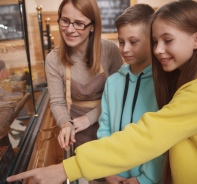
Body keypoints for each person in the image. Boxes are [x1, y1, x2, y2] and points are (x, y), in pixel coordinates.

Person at [6, 1, 197, 184]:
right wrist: (67, 125)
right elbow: (107, 124)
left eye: (167, 40)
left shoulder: (165, 81)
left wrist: (145, 178)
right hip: (106, 158)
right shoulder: (116, 81)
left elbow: (149, 137)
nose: (158, 50)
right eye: (156, 42)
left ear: (92, 25)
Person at [97, 4, 163, 184]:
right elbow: (104, 129)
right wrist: (107, 170)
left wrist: (145, 179)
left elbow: (161, 140)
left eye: (133, 42)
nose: (125, 49)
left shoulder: (163, 85)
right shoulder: (112, 83)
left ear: (152, 40)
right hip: (112, 175)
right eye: (121, 41)